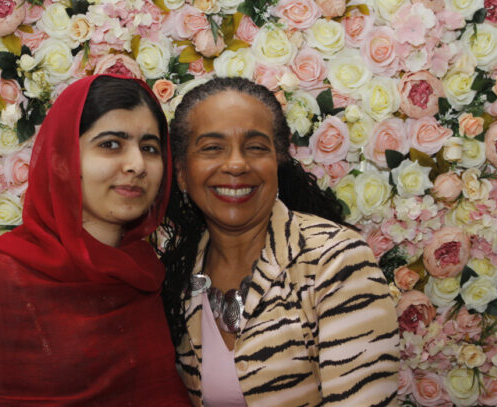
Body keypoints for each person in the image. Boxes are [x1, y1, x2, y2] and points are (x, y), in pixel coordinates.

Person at [0, 74, 191, 406]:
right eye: (111, 144)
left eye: (150, 148)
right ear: (60, 162)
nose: (137, 164)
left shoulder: (143, 270)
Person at [156, 77, 399, 407]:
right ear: (182, 173)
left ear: (278, 161)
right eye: (212, 148)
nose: (236, 164)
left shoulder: (336, 260)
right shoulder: (180, 276)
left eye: (256, 147)